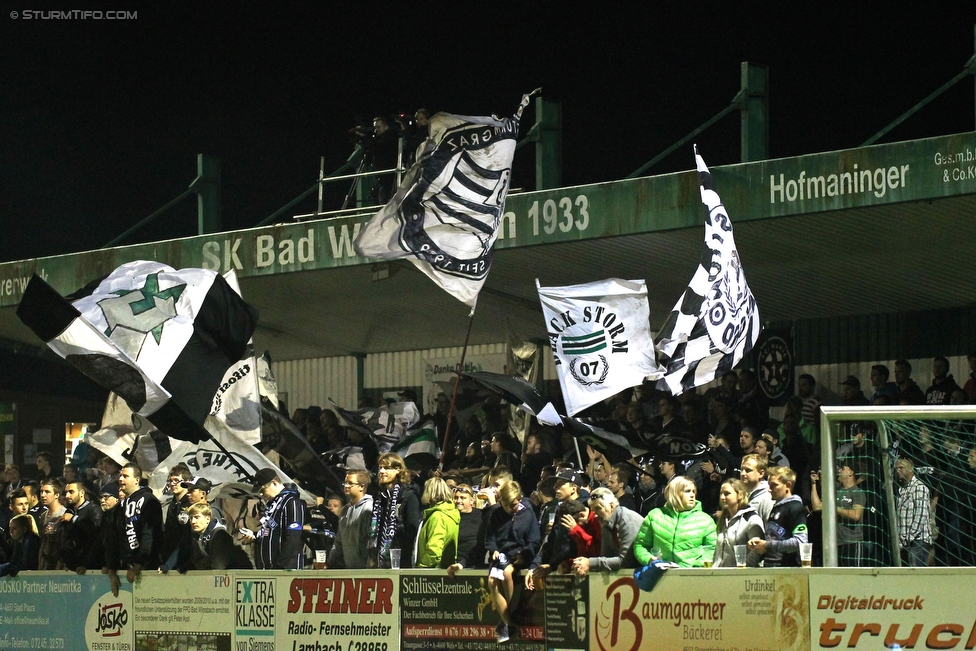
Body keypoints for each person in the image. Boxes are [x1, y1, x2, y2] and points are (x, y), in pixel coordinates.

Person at [484, 481, 540, 643]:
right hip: (501, 555)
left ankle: (506, 619)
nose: (510, 509)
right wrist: (493, 549)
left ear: (519, 499)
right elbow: (490, 539)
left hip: (520, 555)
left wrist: (524, 554)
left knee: (507, 573)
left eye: (513, 505)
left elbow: (535, 541)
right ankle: (509, 622)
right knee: (492, 581)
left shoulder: (528, 514)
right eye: (506, 505)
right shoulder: (496, 514)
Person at [633, 476, 716, 568]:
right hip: (660, 576)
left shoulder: (705, 520)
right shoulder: (655, 516)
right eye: (687, 491)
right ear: (674, 493)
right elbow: (640, 545)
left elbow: (713, 550)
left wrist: (696, 566)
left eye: (693, 491)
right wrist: (649, 559)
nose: (692, 495)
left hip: (693, 578)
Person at [106, 463, 163, 593]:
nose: (121, 479)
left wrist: (139, 565)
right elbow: (113, 538)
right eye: (120, 476)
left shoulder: (149, 500)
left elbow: (149, 534)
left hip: (147, 571)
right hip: (124, 570)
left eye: (125, 476)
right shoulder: (119, 506)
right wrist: (112, 568)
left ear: (137, 479)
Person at [241, 468, 307, 570]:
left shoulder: (292, 502)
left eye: (263, 490)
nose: (261, 494)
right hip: (267, 569)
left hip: (285, 572)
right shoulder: (272, 504)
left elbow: (293, 538)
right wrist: (255, 536)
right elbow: (272, 532)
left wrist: (278, 567)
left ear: (274, 483)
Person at [571, 487, 644, 576]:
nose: (595, 515)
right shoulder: (606, 522)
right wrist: (583, 566)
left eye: (598, 508)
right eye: (593, 510)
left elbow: (626, 562)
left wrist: (590, 563)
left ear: (612, 505)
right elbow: (606, 557)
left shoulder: (628, 522)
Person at [747, 466, 807, 567]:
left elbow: (800, 542)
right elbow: (773, 538)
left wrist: (767, 545)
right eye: (769, 485)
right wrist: (759, 543)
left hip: (788, 569)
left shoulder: (795, 508)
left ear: (788, 485)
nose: (769, 490)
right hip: (770, 569)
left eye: (774, 485)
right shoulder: (775, 507)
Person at [370, 452, 421, 568]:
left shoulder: (409, 496)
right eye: (380, 468)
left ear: (398, 470)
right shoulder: (380, 498)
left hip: (402, 561)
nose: (382, 472)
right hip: (380, 561)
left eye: (387, 468)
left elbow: (412, 530)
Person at [811, 462, 866, 566]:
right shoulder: (836, 492)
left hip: (852, 543)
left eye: (843, 469)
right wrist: (813, 484)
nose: (839, 471)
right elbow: (817, 507)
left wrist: (835, 508)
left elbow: (856, 515)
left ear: (851, 472)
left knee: (853, 578)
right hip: (834, 544)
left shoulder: (857, 492)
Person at [179, 503, 252, 571]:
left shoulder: (219, 535)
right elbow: (197, 561)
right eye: (191, 518)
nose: (193, 521)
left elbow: (218, 567)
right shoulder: (198, 536)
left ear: (208, 519)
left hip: (240, 577)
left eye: (197, 517)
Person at [327, 470, 373, 570]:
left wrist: (371, 566)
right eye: (345, 483)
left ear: (362, 486)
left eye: (350, 483)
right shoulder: (344, 510)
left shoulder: (369, 508)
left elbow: (373, 540)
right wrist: (330, 564)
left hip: (367, 571)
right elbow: (338, 542)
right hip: (350, 570)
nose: (346, 486)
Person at [713, 478, 765, 567]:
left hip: (740, 576)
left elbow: (756, 551)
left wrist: (742, 569)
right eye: (721, 493)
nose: (722, 497)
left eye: (727, 494)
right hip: (719, 575)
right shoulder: (723, 519)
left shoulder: (751, 519)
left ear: (740, 495)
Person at [894, 457, 932, 567]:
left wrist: (909, 536)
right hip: (905, 542)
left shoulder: (919, 488)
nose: (898, 471)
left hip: (918, 541)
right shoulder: (902, 490)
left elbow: (921, 515)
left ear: (910, 469)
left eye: (901, 468)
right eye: (896, 468)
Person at [416, 477, 459, 569]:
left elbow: (434, 550)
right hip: (445, 570)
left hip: (432, 572)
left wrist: (422, 567)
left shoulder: (437, 516)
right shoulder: (451, 513)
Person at [60, 480, 102, 574]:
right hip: (71, 567)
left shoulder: (93, 509)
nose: (67, 496)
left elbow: (95, 535)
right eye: (66, 492)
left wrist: (85, 564)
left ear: (82, 492)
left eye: (71, 492)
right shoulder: (69, 512)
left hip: (89, 568)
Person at [38, 478, 66, 570]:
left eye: (47, 492)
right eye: (41, 491)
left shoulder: (64, 514)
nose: (43, 495)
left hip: (58, 566)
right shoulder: (43, 516)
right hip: (45, 564)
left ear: (57, 495)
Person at [740, 454, 773, 523]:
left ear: (761, 474)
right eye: (742, 469)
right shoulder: (740, 494)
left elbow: (769, 528)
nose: (743, 473)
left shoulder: (767, 497)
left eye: (748, 470)